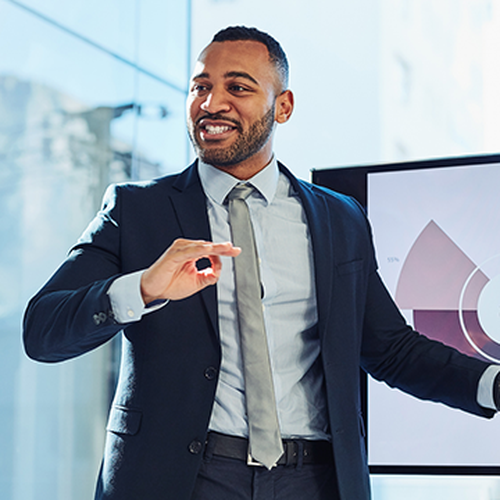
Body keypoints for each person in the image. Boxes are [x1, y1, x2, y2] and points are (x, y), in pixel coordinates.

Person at [23, 26, 500, 500]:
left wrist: (491, 385)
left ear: (283, 106)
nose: (211, 103)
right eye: (201, 87)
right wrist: (144, 288)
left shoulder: (341, 218)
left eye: (238, 87)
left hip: (314, 480)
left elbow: (391, 349)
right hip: (181, 480)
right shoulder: (135, 210)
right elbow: (43, 330)